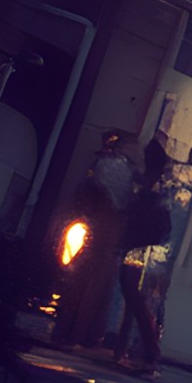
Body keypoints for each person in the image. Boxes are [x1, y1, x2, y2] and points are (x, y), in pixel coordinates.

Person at [53, 132, 135, 347]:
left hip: (96, 228)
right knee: (95, 284)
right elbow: (119, 201)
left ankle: (67, 330)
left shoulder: (101, 164)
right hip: (107, 230)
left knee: (83, 278)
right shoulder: (119, 168)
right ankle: (82, 334)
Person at [112, 141, 176, 374]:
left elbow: (146, 215)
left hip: (140, 249)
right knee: (134, 298)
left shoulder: (152, 185)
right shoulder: (156, 183)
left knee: (134, 297)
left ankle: (143, 350)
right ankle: (134, 349)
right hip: (144, 248)